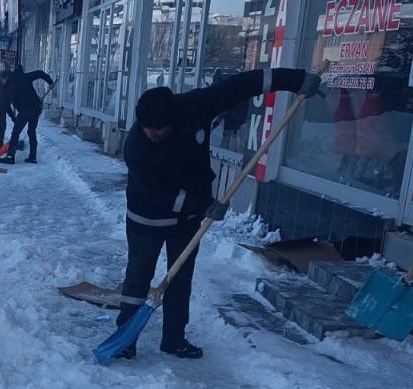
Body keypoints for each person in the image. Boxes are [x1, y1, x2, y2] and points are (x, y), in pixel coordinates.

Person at [114, 68, 321, 360]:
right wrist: (201, 206)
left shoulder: (196, 105)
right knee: (137, 278)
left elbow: (241, 86)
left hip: (186, 223)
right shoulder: (136, 145)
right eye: (146, 128)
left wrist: (295, 80)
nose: (151, 134)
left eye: (157, 129)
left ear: (172, 120)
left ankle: (174, 338)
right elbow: (154, 193)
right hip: (146, 219)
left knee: (180, 279)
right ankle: (125, 338)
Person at [0, 65, 54, 164]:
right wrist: (50, 82)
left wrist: (13, 117)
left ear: (6, 77)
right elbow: (40, 73)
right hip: (36, 108)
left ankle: (10, 156)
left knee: (15, 132)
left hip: (25, 110)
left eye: (2, 80)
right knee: (31, 131)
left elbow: (6, 104)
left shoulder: (11, 83)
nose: (2, 83)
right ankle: (32, 157)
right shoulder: (26, 76)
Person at [0, 70, 16, 153]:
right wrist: (12, 116)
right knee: (1, 127)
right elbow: (7, 103)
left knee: (2, 126)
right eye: (4, 79)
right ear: (2, 78)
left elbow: (7, 103)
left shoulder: (1, 85)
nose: (5, 81)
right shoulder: (2, 87)